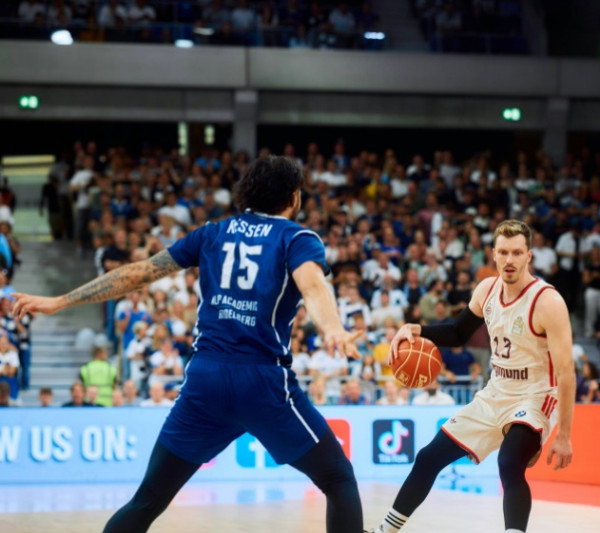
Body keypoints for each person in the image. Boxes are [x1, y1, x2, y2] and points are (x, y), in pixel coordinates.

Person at [13, 156, 364, 533]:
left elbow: (137, 274)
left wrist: (60, 301)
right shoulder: (297, 238)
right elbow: (313, 285)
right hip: (262, 383)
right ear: (293, 197)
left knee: (147, 500)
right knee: (338, 478)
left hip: (205, 381)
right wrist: (333, 329)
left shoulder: (211, 233)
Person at [367, 220, 575, 533]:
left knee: (508, 463)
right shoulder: (486, 290)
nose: (509, 259)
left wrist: (564, 436)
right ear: (493, 254)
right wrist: (415, 328)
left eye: (517, 252)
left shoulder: (548, 301)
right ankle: (385, 530)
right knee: (427, 457)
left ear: (529, 255)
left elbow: (566, 373)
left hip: (535, 396)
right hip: (495, 393)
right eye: (503, 252)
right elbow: (457, 332)